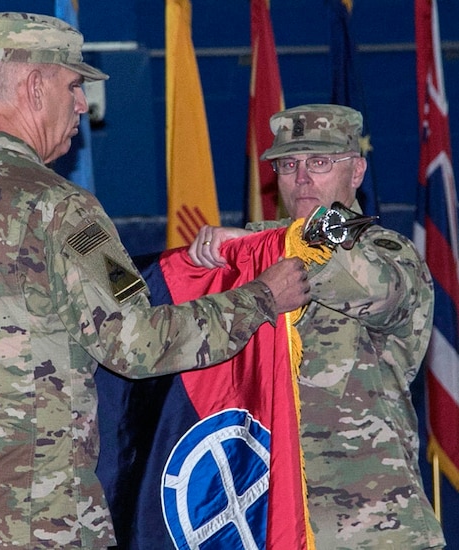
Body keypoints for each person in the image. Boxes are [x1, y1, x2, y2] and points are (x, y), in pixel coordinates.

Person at [0, 12, 311, 548]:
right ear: (35, 87)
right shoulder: (64, 209)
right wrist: (261, 299)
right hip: (37, 517)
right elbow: (138, 342)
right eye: (74, 85)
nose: (82, 104)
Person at [188, 104, 445, 549]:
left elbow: (370, 284)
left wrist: (256, 245)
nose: (301, 177)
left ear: (357, 170)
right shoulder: (250, 253)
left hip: (374, 528)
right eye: (289, 164)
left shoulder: (388, 251)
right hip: (270, 520)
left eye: (320, 163)